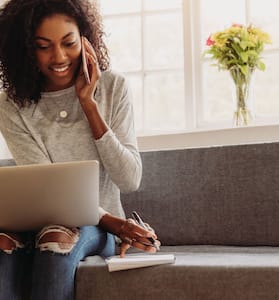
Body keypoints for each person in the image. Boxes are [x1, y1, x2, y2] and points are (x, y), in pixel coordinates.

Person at [0, 0, 160, 299]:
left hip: (93, 231)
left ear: (85, 40)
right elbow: (48, 187)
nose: (59, 56)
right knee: (2, 241)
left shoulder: (114, 87)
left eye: (69, 43)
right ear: (25, 50)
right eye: (43, 46)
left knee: (56, 237)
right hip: (45, 223)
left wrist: (89, 105)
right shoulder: (11, 105)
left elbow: (129, 179)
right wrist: (118, 223)